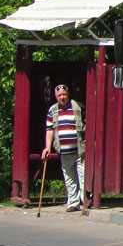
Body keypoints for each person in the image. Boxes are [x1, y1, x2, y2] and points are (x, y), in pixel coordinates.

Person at [41, 84, 87, 212]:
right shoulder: (52, 110)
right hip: (64, 152)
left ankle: (86, 202)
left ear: (68, 95)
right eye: (60, 95)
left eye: (64, 94)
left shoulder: (77, 107)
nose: (62, 97)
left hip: (79, 150)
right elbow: (49, 130)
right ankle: (73, 203)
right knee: (69, 178)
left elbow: (87, 123)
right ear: (56, 96)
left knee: (83, 177)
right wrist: (47, 148)